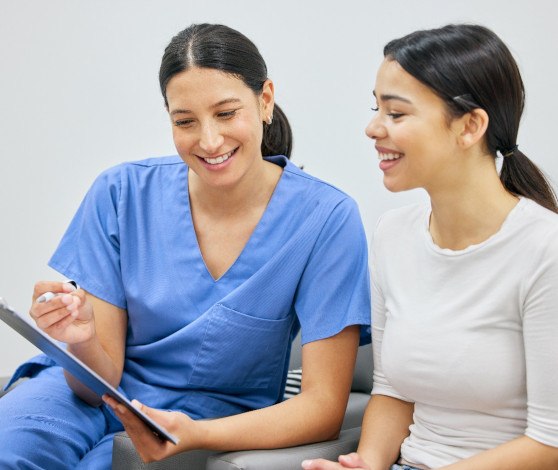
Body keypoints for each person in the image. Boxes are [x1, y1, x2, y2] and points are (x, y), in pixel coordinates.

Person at [0, 23, 371, 468]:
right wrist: (79, 341)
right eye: (185, 122)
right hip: (88, 397)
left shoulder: (325, 219)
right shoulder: (121, 193)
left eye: (227, 113)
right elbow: (97, 383)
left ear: (265, 100)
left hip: (205, 416)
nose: (209, 141)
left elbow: (323, 408)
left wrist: (195, 434)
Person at [302, 24, 558, 470]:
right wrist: (368, 463)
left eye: (396, 114)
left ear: (470, 126)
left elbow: (550, 443)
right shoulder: (392, 234)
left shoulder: (544, 249)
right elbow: (392, 391)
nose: (372, 128)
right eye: (375, 108)